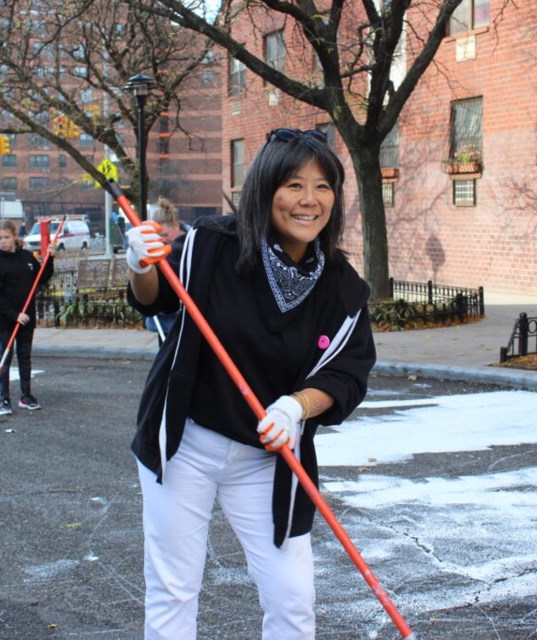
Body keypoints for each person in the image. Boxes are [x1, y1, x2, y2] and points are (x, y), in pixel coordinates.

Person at [125, 128, 376, 639]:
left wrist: (296, 407)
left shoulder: (343, 287)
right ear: (265, 189)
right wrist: (140, 265)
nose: (309, 200)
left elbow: (347, 373)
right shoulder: (212, 246)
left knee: (292, 598)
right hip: (185, 444)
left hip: (270, 459)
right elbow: (156, 301)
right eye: (293, 184)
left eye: (323, 186)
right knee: (173, 589)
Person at [0, 219, 56, 414]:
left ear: (15, 237)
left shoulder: (26, 257)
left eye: (6, 237)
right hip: (6, 319)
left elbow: (42, 277)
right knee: (5, 357)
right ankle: (4, 398)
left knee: (25, 357)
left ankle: (26, 395)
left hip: (27, 318)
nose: (3, 242)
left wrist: (49, 258)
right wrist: (14, 314)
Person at [143, 196, 191, 344]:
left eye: (165, 235)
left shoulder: (193, 242)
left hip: (187, 317)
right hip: (165, 320)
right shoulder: (158, 246)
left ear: (176, 225)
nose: (162, 240)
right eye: (158, 236)